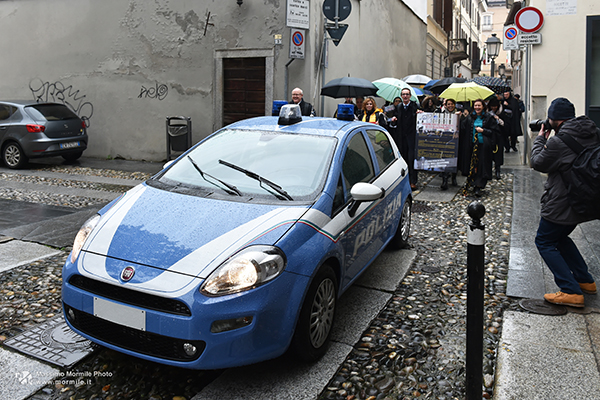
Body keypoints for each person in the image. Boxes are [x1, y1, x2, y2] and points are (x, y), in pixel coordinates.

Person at [530, 97, 599, 308]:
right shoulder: (592, 132)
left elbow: (538, 162)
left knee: (544, 241)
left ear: (555, 120)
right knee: (559, 238)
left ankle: (570, 290)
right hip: (583, 199)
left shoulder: (559, 142)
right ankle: (585, 280)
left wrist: (541, 138)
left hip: (562, 201)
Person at [460, 99, 499, 197]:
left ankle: (479, 185)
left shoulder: (489, 118)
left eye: (479, 105)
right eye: (476, 105)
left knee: (482, 166)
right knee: (473, 165)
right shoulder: (470, 117)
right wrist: (460, 117)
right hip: (472, 145)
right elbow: (463, 128)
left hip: (484, 146)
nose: (477, 107)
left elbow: (494, 132)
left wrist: (483, 130)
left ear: (483, 107)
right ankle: (473, 183)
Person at [391, 88, 421, 190]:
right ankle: (404, 180)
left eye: (407, 94)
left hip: (412, 137)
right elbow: (394, 120)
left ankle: (413, 181)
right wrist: (394, 119)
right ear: (401, 96)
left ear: (410, 95)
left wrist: (420, 114)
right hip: (401, 137)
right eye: (403, 94)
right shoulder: (398, 107)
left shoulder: (415, 106)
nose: (405, 96)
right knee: (402, 159)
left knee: (412, 158)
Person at [436, 98, 461, 190]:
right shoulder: (441, 115)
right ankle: (445, 180)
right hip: (444, 138)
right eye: (449, 104)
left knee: (454, 158)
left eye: (452, 104)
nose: (450, 106)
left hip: (455, 139)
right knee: (445, 159)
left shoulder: (458, 114)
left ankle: (454, 177)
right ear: (445, 105)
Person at [487, 97, 509, 179]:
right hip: (490, 136)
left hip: (499, 136)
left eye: (495, 106)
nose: (494, 108)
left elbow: (506, 125)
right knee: (489, 154)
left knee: (498, 154)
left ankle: (497, 170)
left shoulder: (502, 113)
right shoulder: (488, 114)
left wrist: (498, 119)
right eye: (492, 106)